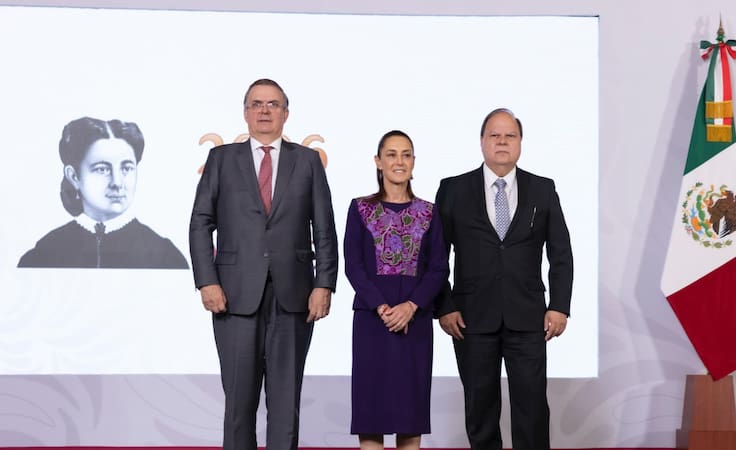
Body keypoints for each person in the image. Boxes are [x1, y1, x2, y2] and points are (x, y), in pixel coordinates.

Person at [189, 78, 338, 450]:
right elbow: (200, 222)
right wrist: (207, 281)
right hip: (233, 296)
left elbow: (324, 228)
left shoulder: (306, 162)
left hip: (294, 297)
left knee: (286, 405)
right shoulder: (221, 160)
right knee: (238, 405)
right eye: (257, 104)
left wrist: (324, 284)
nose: (264, 111)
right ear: (245, 112)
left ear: (286, 114)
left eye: (273, 104)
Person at [434, 108, 573, 450]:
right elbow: (436, 256)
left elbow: (561, 253)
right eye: (494, 135)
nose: (502, 142)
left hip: (528, 318)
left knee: (532, 408)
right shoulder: (452, 190)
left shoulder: (542, 189)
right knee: (480, 408)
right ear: (482, 142)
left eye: (509, 135)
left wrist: (559, 307)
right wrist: (444, 306)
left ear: (520, 143)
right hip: (470, 318)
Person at [344, 130, 449, 450]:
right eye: (391, 154)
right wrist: (381, 307)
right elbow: (353, 265)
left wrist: (411, 306)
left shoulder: (429, 212)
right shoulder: (359, 208)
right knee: (371, 415)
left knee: (409, 415)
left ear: (414, 163)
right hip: (371, 323)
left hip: (414, 324)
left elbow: (439, 269)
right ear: (378, 162)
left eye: (406, 154)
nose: (399, 161)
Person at [18, 116, 188, 269]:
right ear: (74, 176)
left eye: (127, 168)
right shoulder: (44, 254)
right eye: (102, 169)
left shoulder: (165, 257)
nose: (117, 183)